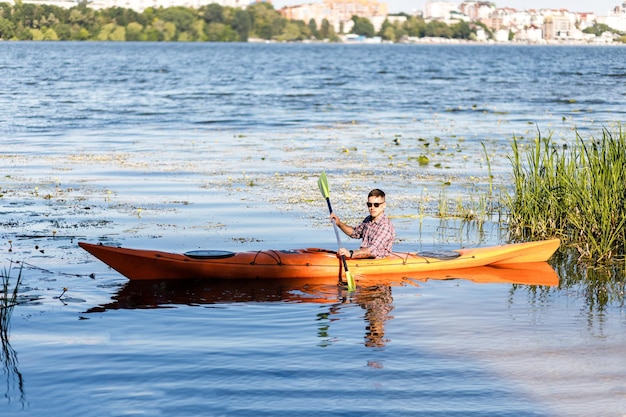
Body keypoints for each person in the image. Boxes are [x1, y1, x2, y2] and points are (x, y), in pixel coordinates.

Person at [330, 189, 395, 259]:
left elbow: (372, 250)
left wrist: (350, 253)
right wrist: (339, 223)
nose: (372, 208)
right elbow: (355, 233)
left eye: (376, 205)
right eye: (369, 205)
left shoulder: (385, 226)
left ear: (384, 205)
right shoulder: (368, 220)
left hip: (378, 263)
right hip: (365, 258)